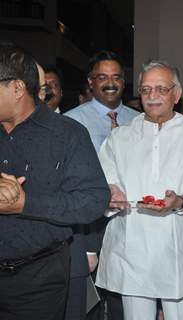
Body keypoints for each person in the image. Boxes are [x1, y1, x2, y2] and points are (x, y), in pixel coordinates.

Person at [95, 59, 183, 320]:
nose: (152, 96)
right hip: (132, 247)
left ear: (177, 94)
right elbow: (105, 182)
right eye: (146, 90)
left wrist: (180, 202)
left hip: (178, 246)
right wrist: (110, 195)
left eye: (161, 89)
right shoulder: (120, 136)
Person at [0, 44, 110, 319]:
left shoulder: (67, 134)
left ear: (16, 88)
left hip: (38, 281)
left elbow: (94, 200)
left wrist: (26, 204)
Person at [64, 50, 139, 320]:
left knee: (126, 302)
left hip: (131, 222)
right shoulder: (71, 122)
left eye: (117, 77)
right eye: (102, 77)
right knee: (88, 304)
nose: (111, 83)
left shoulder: (138, 120)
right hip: (90, 225)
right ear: (90, 81)